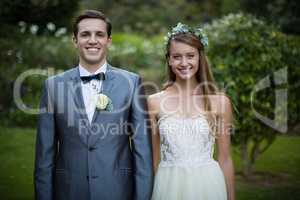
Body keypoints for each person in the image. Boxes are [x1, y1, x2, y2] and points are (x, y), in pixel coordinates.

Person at [34, 10, 153, 200]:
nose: (92, 40)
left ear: (109, 40)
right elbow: (44, 157)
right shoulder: (53, 86)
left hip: (118, 190)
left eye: (99, 34)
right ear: (75, 40)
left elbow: (143, 152)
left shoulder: (131, 83)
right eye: (85, 34)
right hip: (69, 190)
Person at [148, 23, 235, 200]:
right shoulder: (154, 102)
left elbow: (225, 159)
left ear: (199, 58)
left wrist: (231, 197)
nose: (184, 62)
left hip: (208, 184)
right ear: (169, 60)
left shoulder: (220, 102)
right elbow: (153, 159)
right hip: (168, 185)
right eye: (177, 56)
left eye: (190, 56)